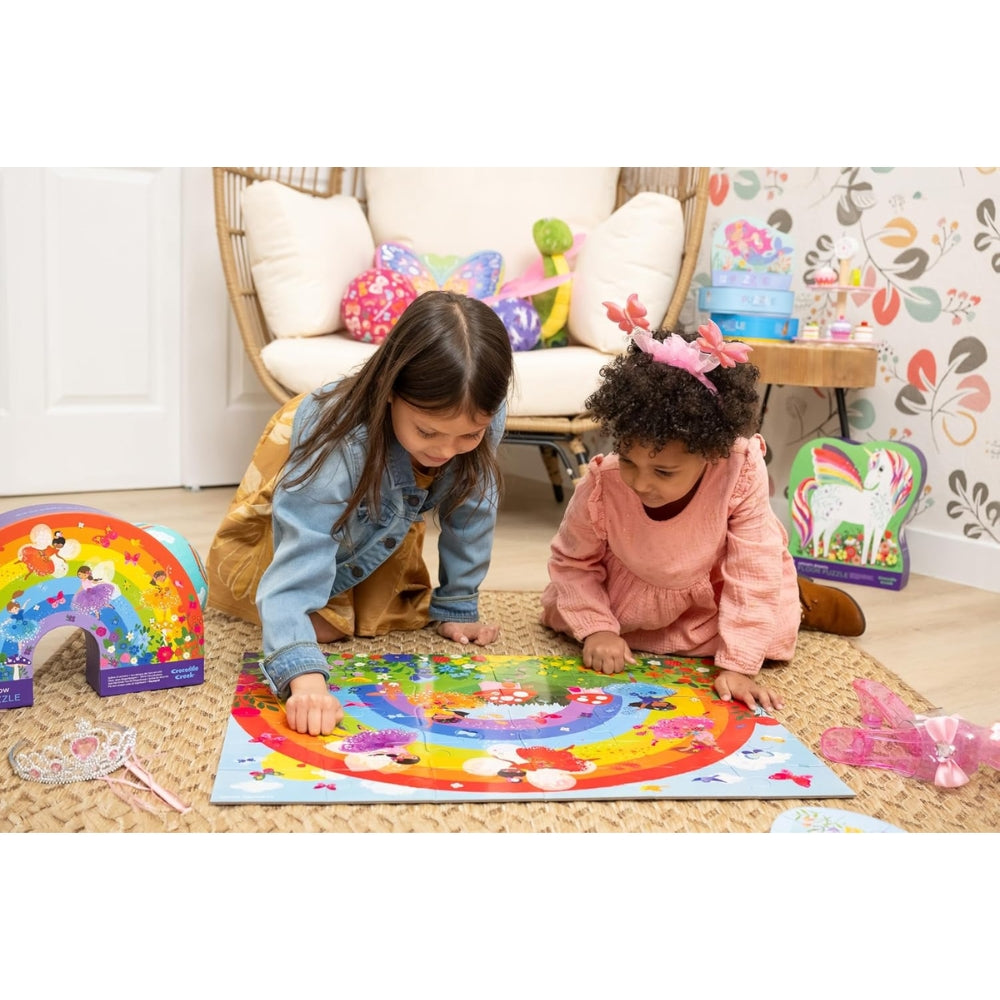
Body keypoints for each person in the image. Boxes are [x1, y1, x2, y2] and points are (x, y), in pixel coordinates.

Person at [207, 290, 514, 736]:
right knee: (308, 621)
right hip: (312, 496)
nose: (446, 451)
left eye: (468, 436)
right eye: (427, 431)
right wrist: (304, 679)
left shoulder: (481, 417)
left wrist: (458, 604)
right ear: (391, 390)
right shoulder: (338, 442)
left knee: (372, 609)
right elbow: (304, 542)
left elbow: (473, 507)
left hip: (383, 508)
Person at [540, 294, 866, 713]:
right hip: (634, 597)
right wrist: (598, 630)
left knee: (767, 629)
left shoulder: (738, 469)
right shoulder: (604, 484)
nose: (641, 483)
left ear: (712, 454)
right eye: (630, 461)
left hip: (712, 591)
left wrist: (738, 665)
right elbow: (571, 563)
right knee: (567, 612)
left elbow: (753, 567)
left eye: (664, 472)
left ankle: (800, 601)